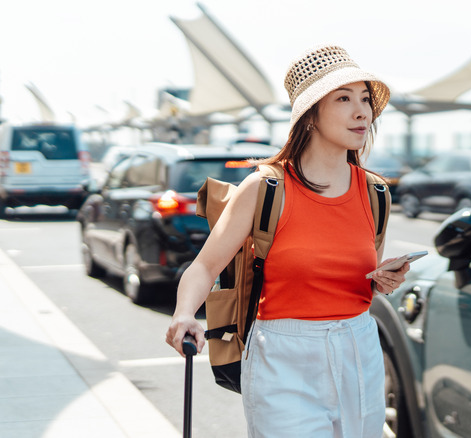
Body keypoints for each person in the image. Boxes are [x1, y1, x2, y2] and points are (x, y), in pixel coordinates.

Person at [165, 45, 409, 438]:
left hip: (359, 350)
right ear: (309, 115)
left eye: (364, 99)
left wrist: (381, 280)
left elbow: (361, 282)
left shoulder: (376, 192)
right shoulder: (265, 188)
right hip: (283, 357)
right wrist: (183, 314)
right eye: (343, 99)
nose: (362, 111)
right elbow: (205, 266)